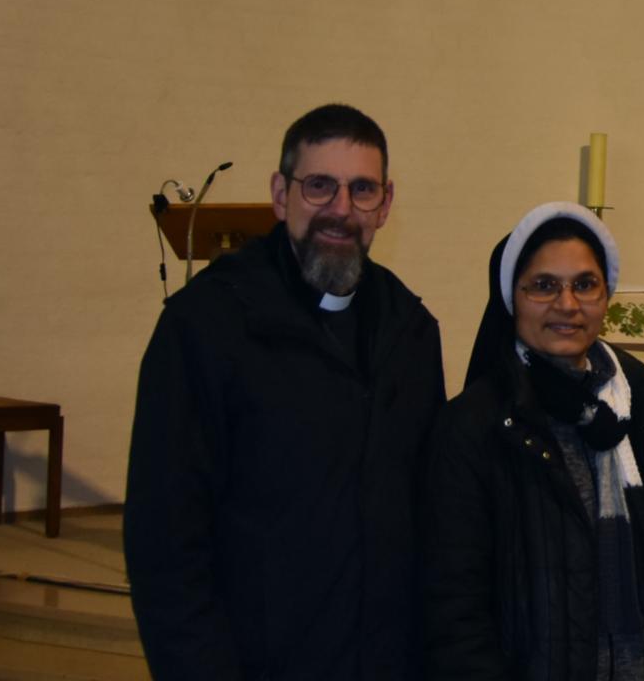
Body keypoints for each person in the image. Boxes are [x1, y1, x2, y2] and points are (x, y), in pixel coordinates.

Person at [125, 103, 446, 679]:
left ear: (386, 203)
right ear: (281, 194)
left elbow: (426, 516)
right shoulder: (205, 326)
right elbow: (165, 541)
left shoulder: (412, 331)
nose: (341, 210)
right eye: (319, 186)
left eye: (362, 189)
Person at [422, 202, 644, 680]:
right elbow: (454, 605)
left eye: (585, 284)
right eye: (544, 286)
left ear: (607, 297)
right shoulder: (476, 425)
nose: (567, 304)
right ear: (512, 298)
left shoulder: (643, 409)